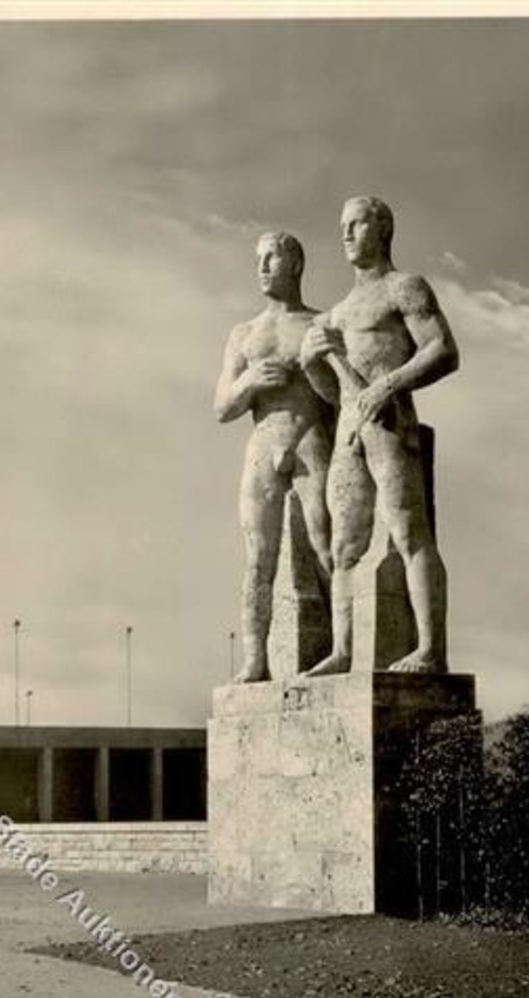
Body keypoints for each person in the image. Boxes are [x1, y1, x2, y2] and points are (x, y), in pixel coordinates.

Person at [299, 196, 459, 675]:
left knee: (409, 530)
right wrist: (313, 363)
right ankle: (344, 650)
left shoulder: (403, 288)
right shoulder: (339, 311)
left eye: (356, 224)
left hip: (389, 417)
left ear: (383, 229)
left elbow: (443, 350)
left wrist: (389, 384)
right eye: (342, 226)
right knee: (344, 545)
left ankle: (431, 650)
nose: (346, 234)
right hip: (350, 422)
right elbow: (331, 393)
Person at [214, 232, 333, 683]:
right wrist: (250, 384)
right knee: (258, 559)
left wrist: (317, 365)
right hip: (263, 443)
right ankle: (255, 661)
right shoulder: (244, 333)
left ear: (296, 264)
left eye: (271, 258)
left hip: (310, 438)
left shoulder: (321, 323)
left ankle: (344, 648)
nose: (262, 267)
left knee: (328, 548)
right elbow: (222, 406)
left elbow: (342, 395)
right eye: (258, 259)